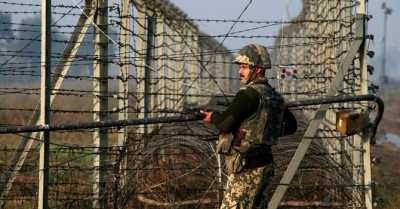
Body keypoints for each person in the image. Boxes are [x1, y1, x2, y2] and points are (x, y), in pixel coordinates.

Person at [200, 44, 286, 208]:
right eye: (240, 67)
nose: (240, 71)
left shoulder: (249, 94)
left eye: (245, 67)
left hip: (247, 167)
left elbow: (225, 123)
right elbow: (290, 126)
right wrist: (262, 130)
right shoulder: (274, 95)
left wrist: (213, 117)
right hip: (265, 164)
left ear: (258, 69)